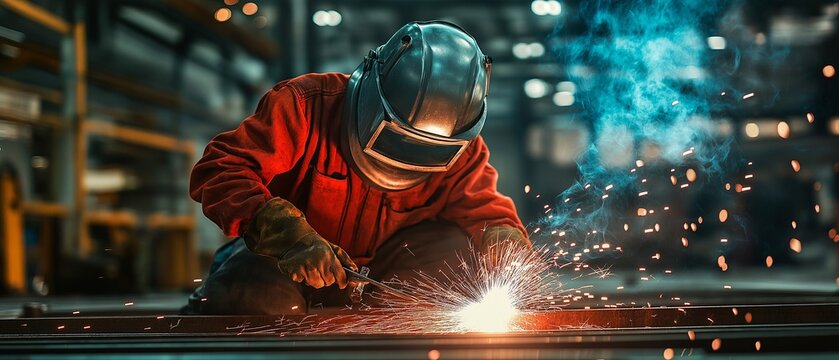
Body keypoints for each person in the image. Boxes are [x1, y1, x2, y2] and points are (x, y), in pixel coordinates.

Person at [184, 21, 529, 315]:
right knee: (257, 298)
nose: (406, 159)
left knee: (452, 263)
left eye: (427, 153)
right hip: (282, 263)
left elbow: (489, 214)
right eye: (398, 139)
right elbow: (221, 168)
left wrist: (505, 248)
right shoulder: (304, 107)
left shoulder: (462, 153)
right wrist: (287, 236)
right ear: (372, 95)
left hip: (382, 276)